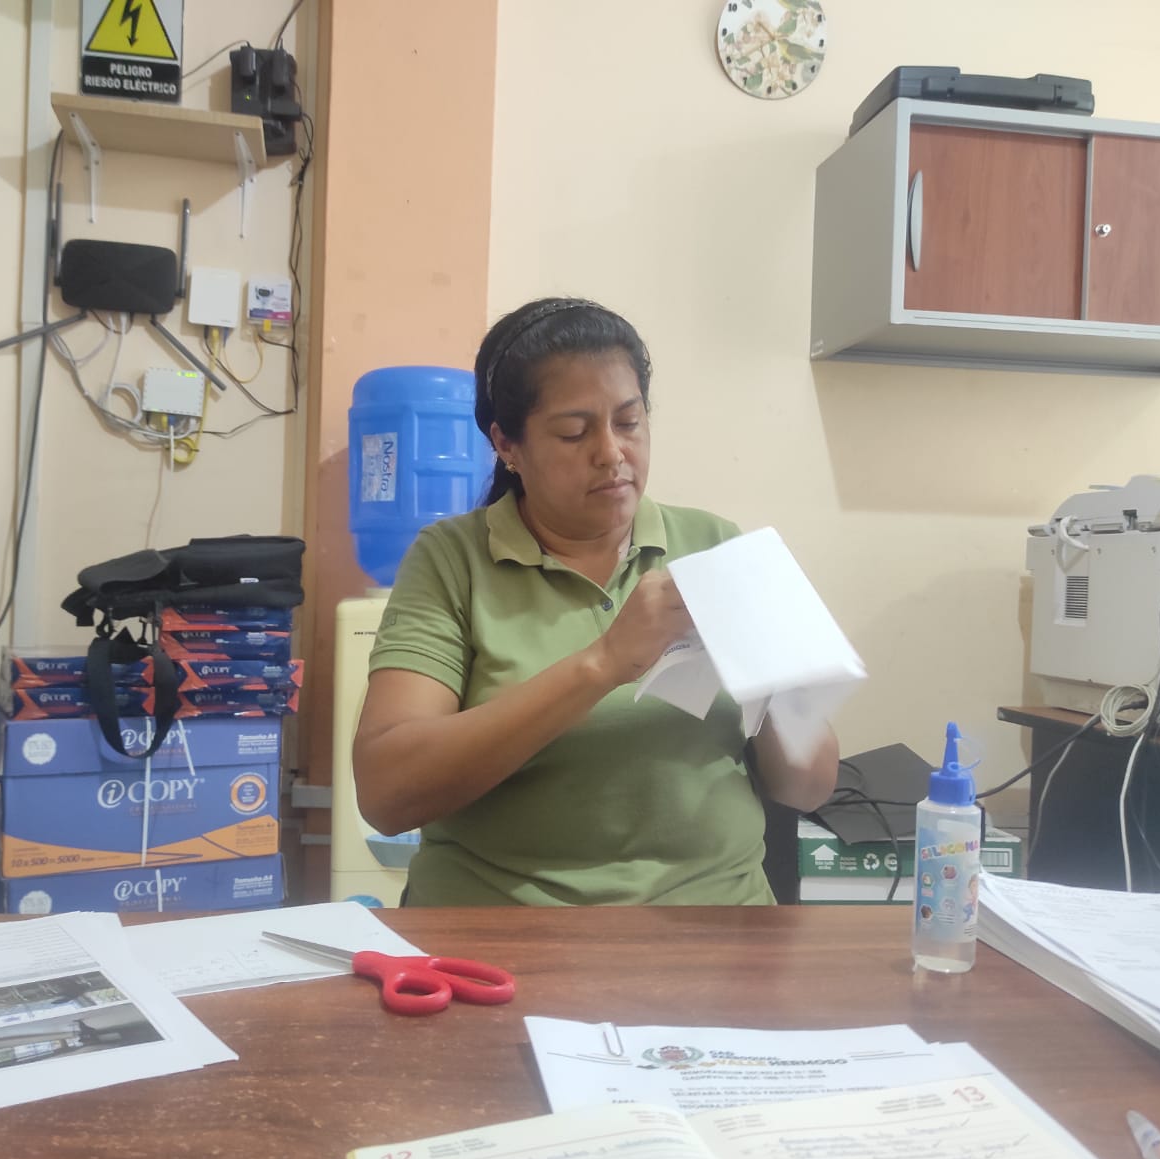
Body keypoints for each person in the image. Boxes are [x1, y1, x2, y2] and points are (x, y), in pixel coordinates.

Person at [353, 297, 839, 906]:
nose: (611, 453)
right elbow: (387, 794)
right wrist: (603, 662)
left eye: (629, 422)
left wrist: (774, 682)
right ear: (507, 444)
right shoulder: (453, 561)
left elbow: (809, 787)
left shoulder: (715, 546)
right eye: (574, 432)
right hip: (501, 929)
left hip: (714, 923)